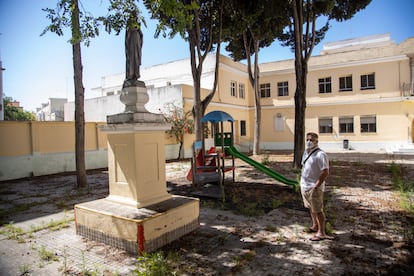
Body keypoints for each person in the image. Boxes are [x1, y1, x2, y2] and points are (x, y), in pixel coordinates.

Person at [300, 132, 332, 241]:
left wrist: (317, 185)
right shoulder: (306, 152)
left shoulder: (320, 154)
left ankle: (321, 232)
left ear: (316, 141)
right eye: (307, 139)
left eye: (311, 140)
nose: (309, 142)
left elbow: (325, 172)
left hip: (314, 187)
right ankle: (315, 226)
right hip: (305, 185)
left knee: (318, 210)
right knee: (310, 207)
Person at [123, 11, 143, 88]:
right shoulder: (129, 27)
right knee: (131, 59)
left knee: (136, 59)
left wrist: (138, 30)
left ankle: (136, 74)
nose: (135, 18)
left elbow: (141, 36)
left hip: (137, 45)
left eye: (135, 16)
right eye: (133, 16)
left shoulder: (138, 27)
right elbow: (127, 37)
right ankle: (130, 74)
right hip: (131, 45)